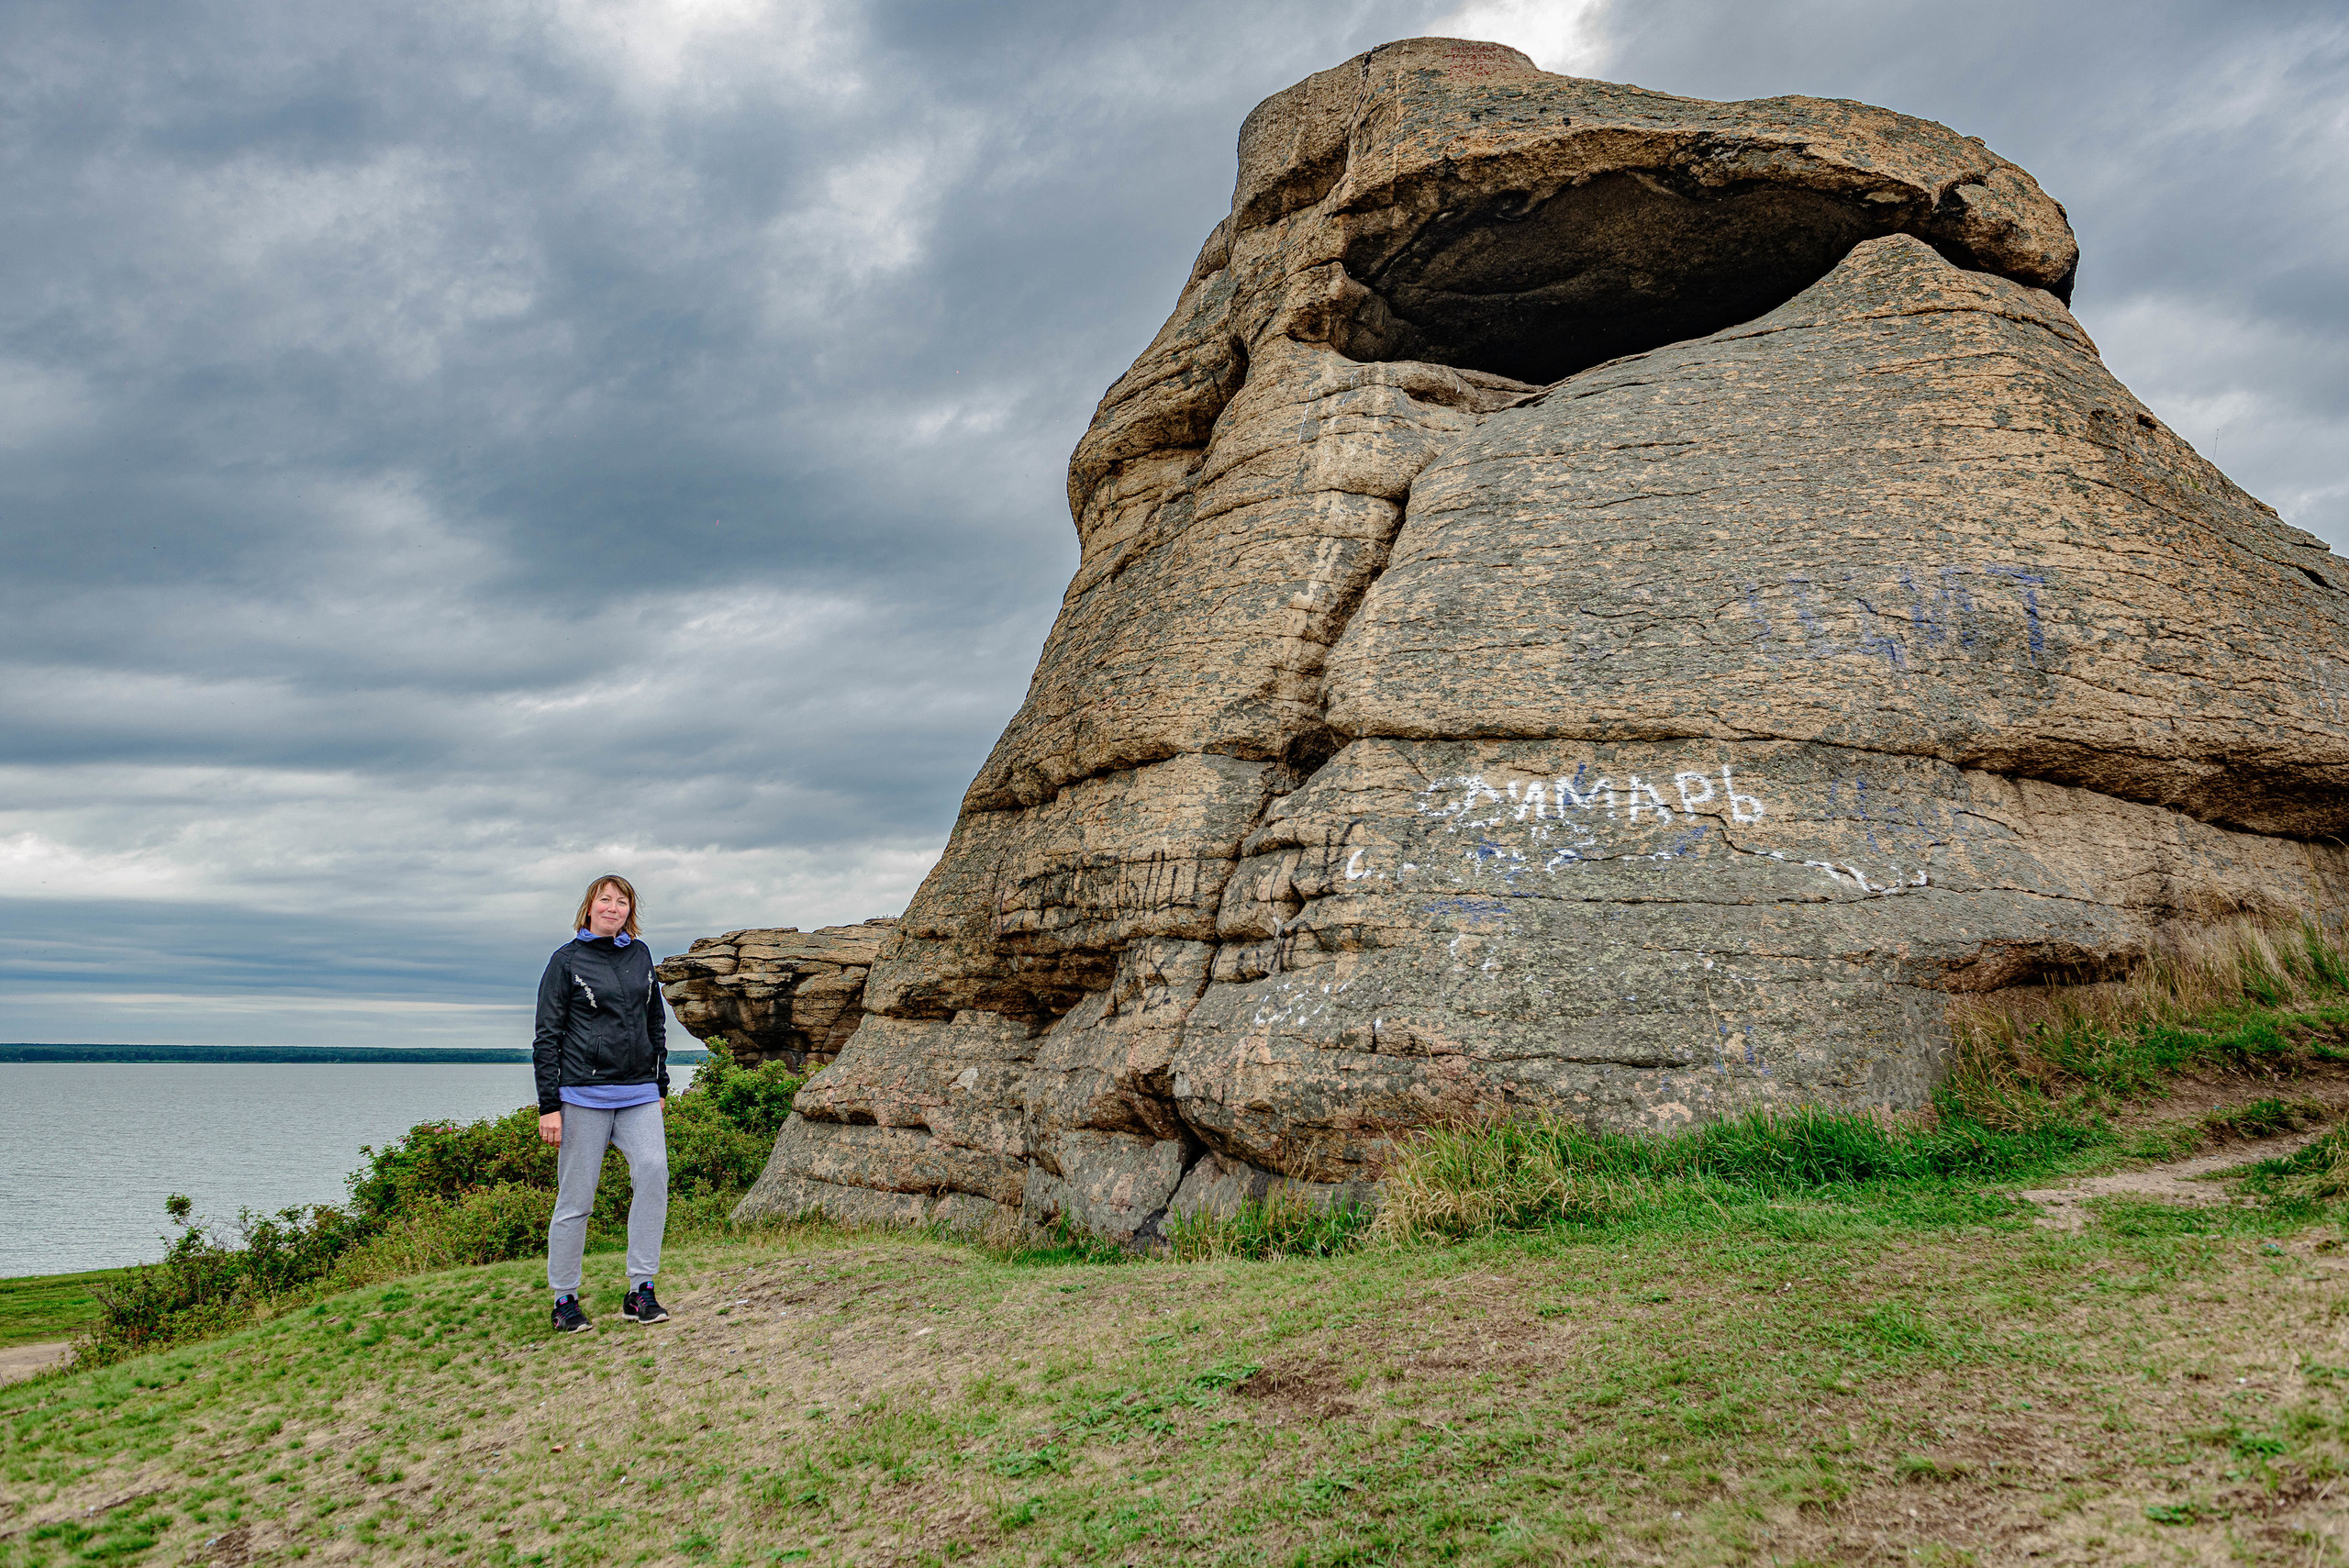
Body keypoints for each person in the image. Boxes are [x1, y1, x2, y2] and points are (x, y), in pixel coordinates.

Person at [533, 873, 672, 1332]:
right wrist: (548, 1106)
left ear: (630, 910)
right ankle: (565, 1298)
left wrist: (660, 1086)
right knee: (576, 1199)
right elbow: (547, 1038)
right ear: (589, 907)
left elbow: (656, 1020)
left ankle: (641, 1290)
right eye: (605, 899)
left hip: (638, 1094)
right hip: (582, 1097)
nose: (613, 907)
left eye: (622, 901)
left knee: (653, 1174)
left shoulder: (640, 954)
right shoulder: (565, 961)